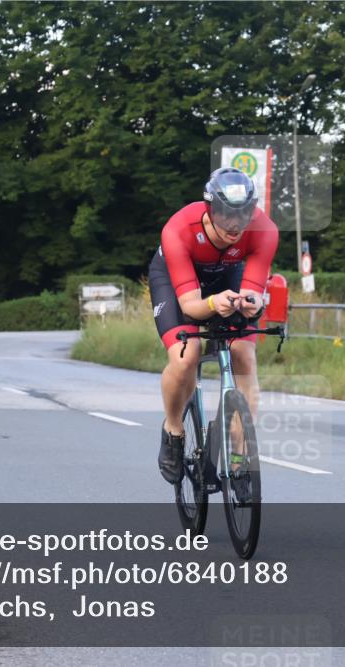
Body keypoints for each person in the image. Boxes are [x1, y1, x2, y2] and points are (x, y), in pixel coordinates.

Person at [149, 168, 278, 484]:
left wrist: (254, 302)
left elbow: (254, 291)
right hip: (178, 281)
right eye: (225, 215)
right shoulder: (179, 228)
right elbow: (190, 306)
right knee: (186, 356)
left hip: (227, 275)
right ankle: (174, 430)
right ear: (210, 209)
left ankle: (239, 457)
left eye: (243, 214)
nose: (235, 224)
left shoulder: (264, 230)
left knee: (244, 354)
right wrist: (211, 304)